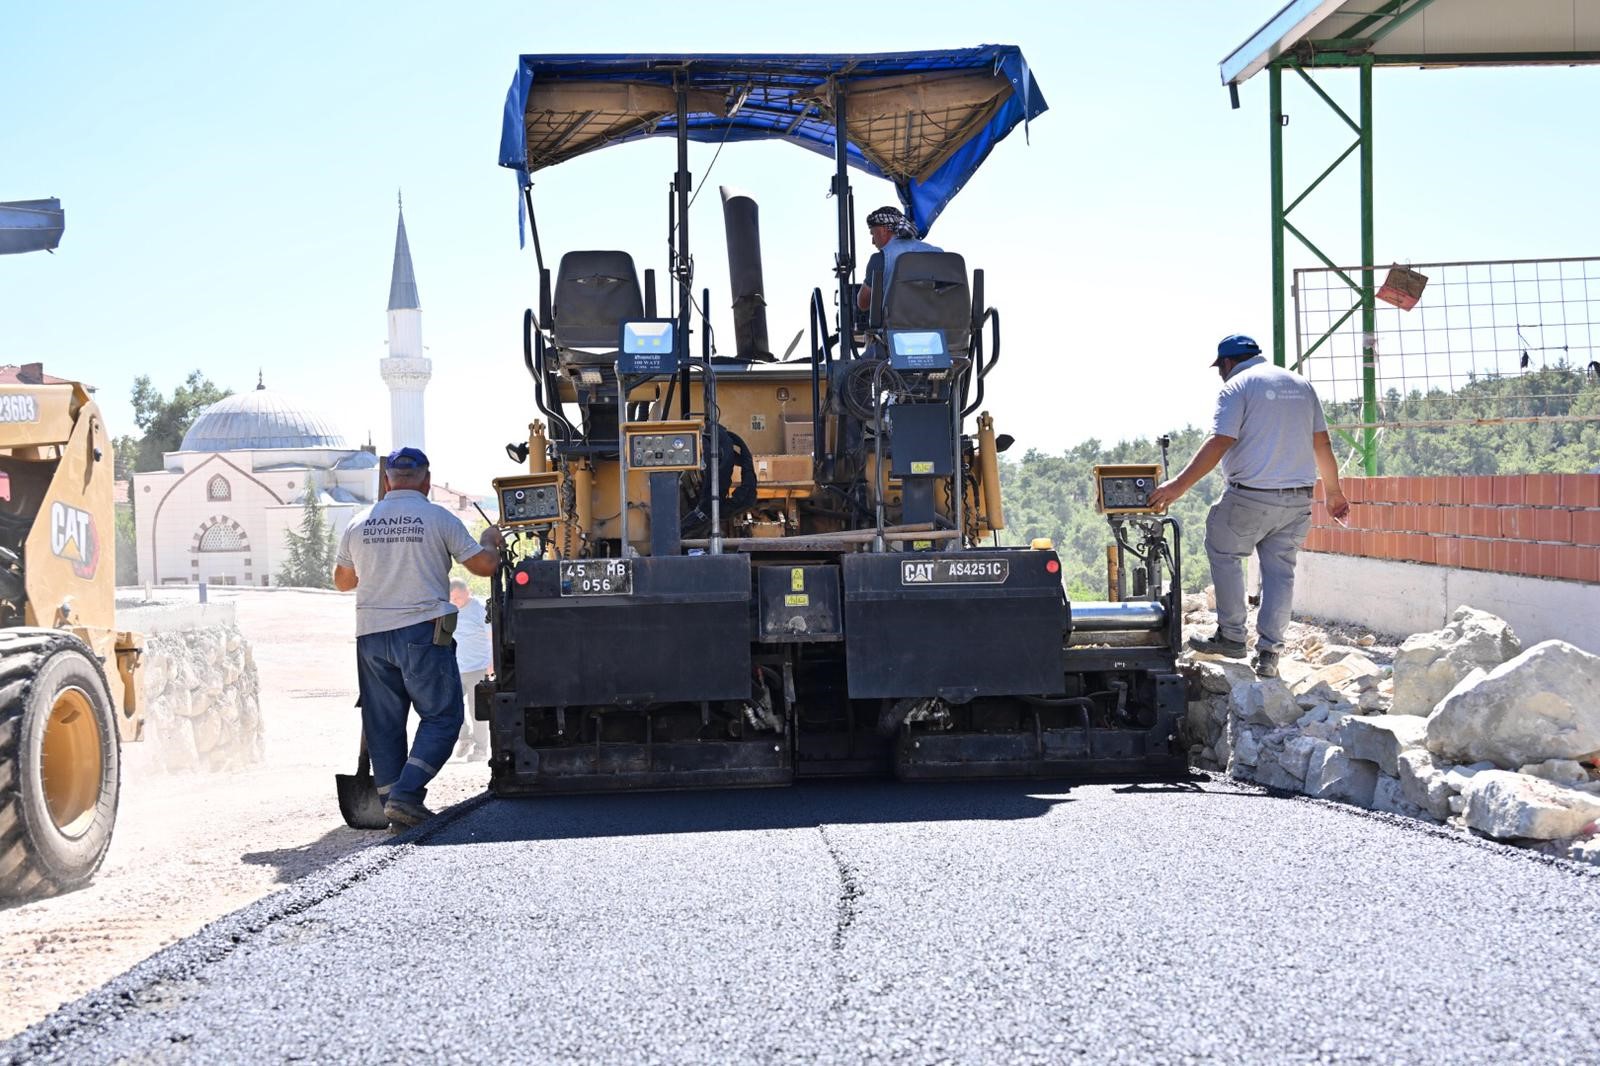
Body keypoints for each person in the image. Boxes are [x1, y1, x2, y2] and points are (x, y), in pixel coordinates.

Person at [1146, 335, 1351, 679]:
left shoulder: (1236, 386)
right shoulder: (1301, 385)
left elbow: (1221, 440)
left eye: (1220, 369)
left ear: (1227, 363)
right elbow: (1321, 442)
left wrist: (1177, 486)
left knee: (1223, 549)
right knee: (1280, 572)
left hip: (1250, 496)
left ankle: (1231, 635)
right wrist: (1334, 493)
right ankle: (1270, 652)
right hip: (1298, 498)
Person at [333, 447, 502, 829]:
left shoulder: (359, 523)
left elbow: (343, 582)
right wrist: (492, 539)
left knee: (384, 723)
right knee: (443, 717)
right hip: (422, 631)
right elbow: (485, 565)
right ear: (426, 481)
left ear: (388, 480)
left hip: (371, 637)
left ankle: (393, 801)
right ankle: (407, 796)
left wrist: (380, 564)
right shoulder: (437, 517)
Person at [855, 206, 942, 321]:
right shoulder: (939, 253)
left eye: (873, 234)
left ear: (884, 230)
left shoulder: (880, 259)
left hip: (898, 333)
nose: (872, 241)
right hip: (940, 331)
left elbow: (863, 303)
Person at [449, 578, 493, 762]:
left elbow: (492, 636)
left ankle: (481, 749)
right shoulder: (449, 610)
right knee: (451, 708)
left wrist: (492, 662)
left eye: (458, 597)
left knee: (478, 712)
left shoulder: (480, 609)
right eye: (452, 598)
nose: (455, 601)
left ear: (468, 592)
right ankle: (464, 738)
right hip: (455, 668)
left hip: (477, 667)